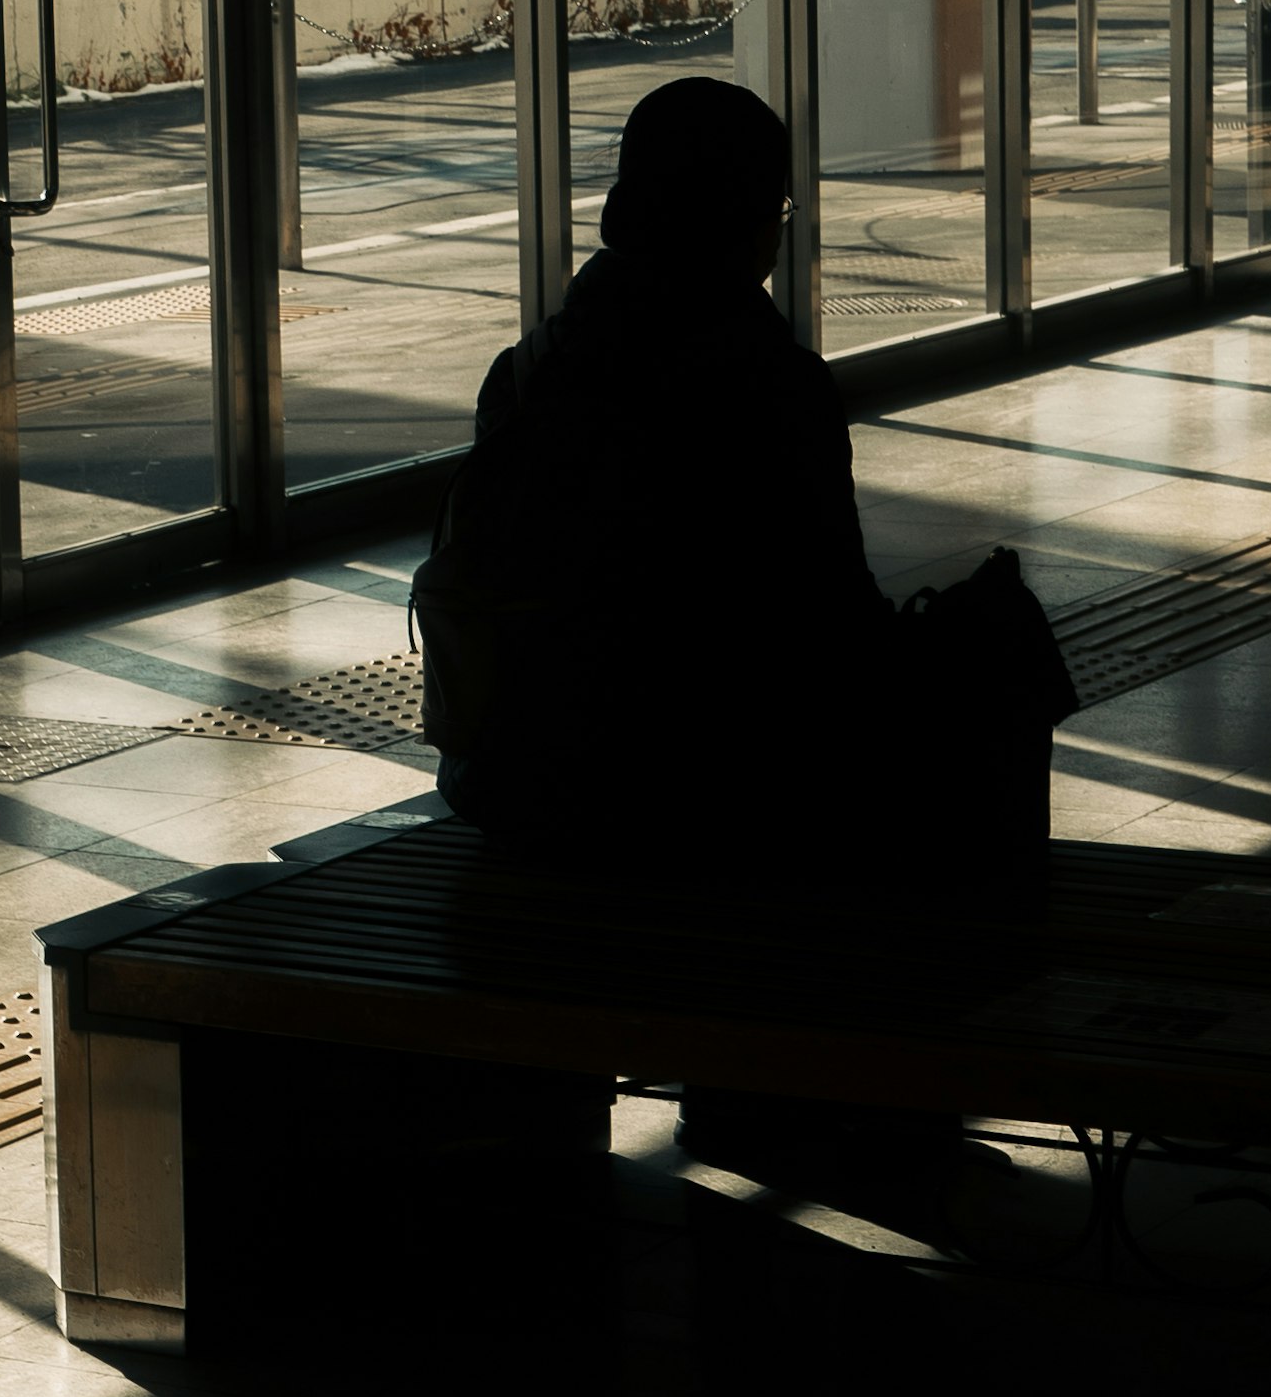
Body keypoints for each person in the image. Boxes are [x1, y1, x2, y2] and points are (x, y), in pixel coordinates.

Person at [415, 74, 1066, 903]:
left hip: (510, 782)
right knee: (996, 639)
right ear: (742, 222)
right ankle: (992, 950)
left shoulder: (527, 372)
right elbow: (831, 628)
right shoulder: (772, 385)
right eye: (779, 212)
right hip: (699, 800)